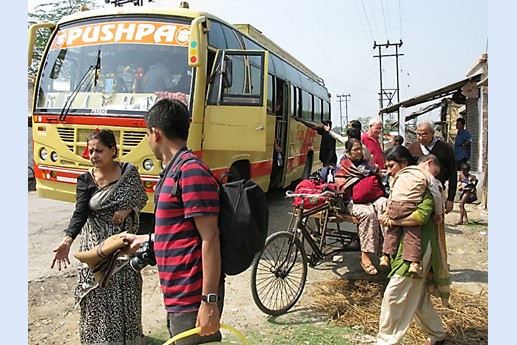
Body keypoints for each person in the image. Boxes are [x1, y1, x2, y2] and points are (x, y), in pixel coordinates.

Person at [122, 98, 224, 344]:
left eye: (147, 134)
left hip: (191, 297)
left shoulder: (191, 172)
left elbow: (210, 237)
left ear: (156, 133)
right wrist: (144, 239)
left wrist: (209, 302)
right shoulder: (172, 171)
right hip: (177, 294)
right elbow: (182, 231)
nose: (148, 140)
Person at [51, 129, 149, 344]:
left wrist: (128, 210)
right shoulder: (85, 179)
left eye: (99, 150)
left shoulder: (128, 173)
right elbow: (80, 212)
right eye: (91, 151)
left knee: (126, 295)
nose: (93, 155)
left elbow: (140, 198)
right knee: (97, 295)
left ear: (113, 150)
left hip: (124, 247)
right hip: (96, 248)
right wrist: (68, 240)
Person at [376, 146, 450, 345]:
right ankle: (437, 335)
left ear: (405, 164)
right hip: (406, 247)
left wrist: (393, 222)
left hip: (419, 250)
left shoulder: (426, 185)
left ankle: (386, 341)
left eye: (392, 166)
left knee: (394, 294)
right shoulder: (401, 186)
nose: (389, 171)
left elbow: (421, 216)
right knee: (417, 298)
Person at [379, 152, 444, 278]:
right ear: (428, 163)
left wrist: (388, 212)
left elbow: (392, 191)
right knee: (413, 236)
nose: (434, 176)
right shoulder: (427, 177)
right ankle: (414, 263)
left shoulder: (403, 173)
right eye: (435, 172)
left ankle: (385, 256)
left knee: (391, 234)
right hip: (409, 208)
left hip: (393, 205)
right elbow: (434, 197)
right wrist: (438, 212)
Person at [334, 138, 387, 275]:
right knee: (368, 214)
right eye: (355, 149)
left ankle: (386, 251)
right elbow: (341, 189)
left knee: (385, 206)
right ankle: (365, 256)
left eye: (360, 149)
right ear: (348, 152)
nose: (359, 152)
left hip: (373, 198)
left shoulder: (369, 166)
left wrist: (378, 174)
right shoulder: (342, 169)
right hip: (353, 202)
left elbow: (381, 182)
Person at [408, 121, 457, 215]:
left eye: (424, 134)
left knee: (437, 221)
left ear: (433, 133)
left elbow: (452, 174)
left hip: (437, 192)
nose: (421, 138)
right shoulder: (412, 148)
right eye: (418, 134)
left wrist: (451, 199)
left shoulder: (445, 148)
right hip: (416, 192)